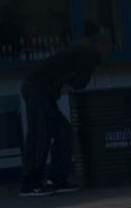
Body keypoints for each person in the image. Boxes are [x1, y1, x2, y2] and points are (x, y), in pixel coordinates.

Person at [17, 23, 109, 197]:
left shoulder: (79, 51)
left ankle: (57, 178)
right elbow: (81, 82)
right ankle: (30, 183)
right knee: (40, 135)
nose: (107, 55)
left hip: (41, 89)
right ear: (99, 47)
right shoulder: (86, 55)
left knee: (62, 132)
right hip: (38, 89)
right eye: (106, 51)